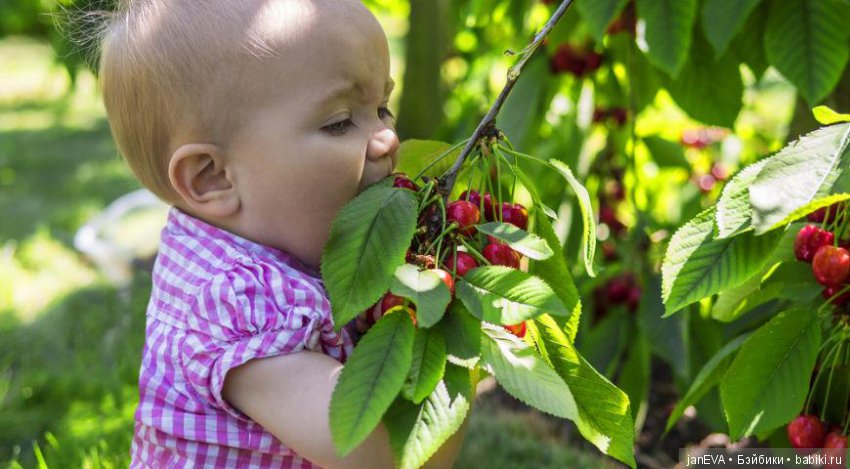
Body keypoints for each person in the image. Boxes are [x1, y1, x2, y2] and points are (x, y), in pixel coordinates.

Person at [97, 0, 466, 466]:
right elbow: (387, 452)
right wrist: (462, 323)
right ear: (212, 178)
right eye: (339, 122)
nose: (388, 138)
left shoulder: (263, 237)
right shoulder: (237, 301)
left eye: (382, 108)